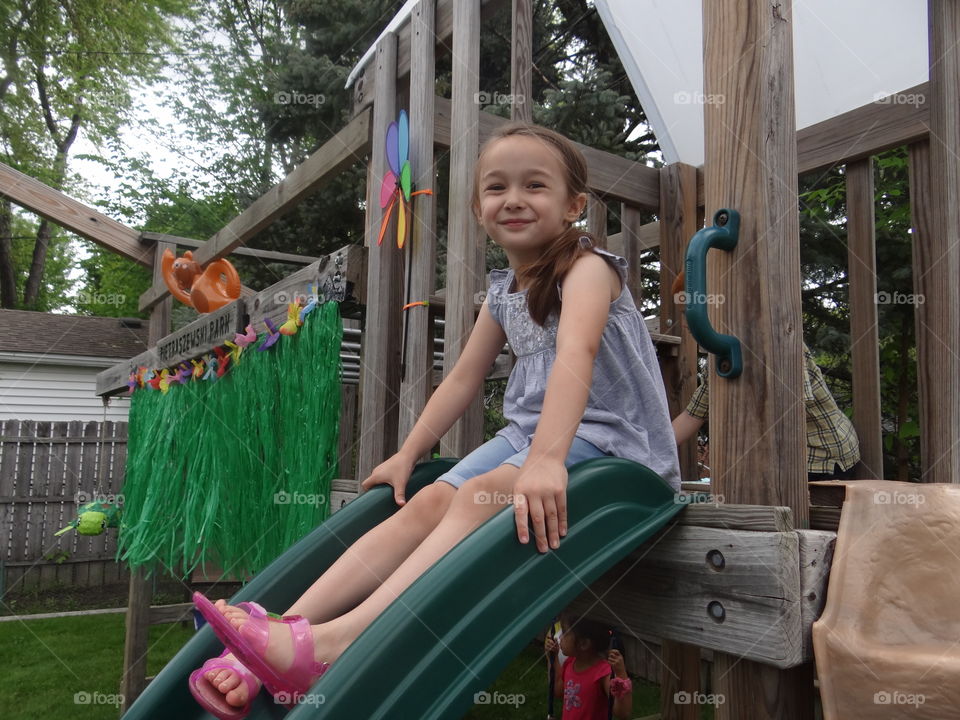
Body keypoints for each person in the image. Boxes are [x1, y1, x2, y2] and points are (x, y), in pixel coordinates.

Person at [188, 123, 680, 718]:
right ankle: (290, 631)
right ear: (478, 209)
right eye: (497, 187)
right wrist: (409, 451)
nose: (514, 198)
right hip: (532, 435)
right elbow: (464, 378)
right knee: (423, 502)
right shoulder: (502, 293)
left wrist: (547, 460)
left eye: (535, 185)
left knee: (477, 495)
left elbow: (575, 354)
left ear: (574, 205)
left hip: (613, 445)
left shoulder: (589, 270)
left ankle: (335, 645)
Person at [670, 272, 860, 480]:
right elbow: (693, 414)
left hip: (822, 455)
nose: (685, 323)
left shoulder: (776, 342)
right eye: (680, 313)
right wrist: (652, 451)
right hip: (784, 452)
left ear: (717, 306)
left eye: (687, 312)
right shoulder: (720, 355)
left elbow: (790, 409)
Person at [544, 615, 632, 719]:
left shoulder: (603, 673)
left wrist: (621, 674)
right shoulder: (570, 663)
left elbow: (623, 713)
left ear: (584, 644)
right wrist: (553, 659)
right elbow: (558, 691)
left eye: (565, 633)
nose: (559, 638)